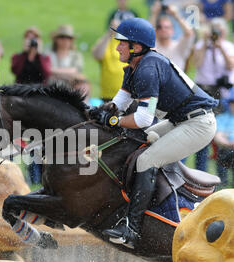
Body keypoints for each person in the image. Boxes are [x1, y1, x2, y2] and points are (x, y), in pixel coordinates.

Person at [89, 17, 218, 249]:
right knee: (136, 141)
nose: (117, 46)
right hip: (180, 120)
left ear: (136, 47)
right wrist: (95, 114)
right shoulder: (135, 66)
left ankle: (132, 228)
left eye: (121, 43)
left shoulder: (148, 68)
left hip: (197, 125)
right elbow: (118, 103)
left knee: (148, 159)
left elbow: (142, 119)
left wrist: (114, 119)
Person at [192, 17, 234, 171]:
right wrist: (205, 43)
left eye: (220, 31)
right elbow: (196, 63)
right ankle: (200, 170)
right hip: (204, 90)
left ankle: (222, 172)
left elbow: (231, 66)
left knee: (221, 130)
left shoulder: (229, 47)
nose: (217, 34)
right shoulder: (201, 46)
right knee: (202, 130)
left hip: (222, 92)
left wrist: (220, 47)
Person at [11, 26, 51, 185]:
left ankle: (36, 176)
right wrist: (29, 54)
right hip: (21, 102)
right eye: (29, 38)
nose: (32, 41)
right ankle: (18, 175)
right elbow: (16, 70)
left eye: (34, 38)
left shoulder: (44, 57)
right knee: (19, 138)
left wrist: (38, 54)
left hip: (38, 103)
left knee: (37, 140)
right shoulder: (18, 57)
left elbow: (46, 72)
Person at [150, 2, 195, 71]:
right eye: (160, 27)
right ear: (156, 30)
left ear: (173, 31)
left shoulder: (179, 47)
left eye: (167, 27)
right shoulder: (154, 47)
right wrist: (154, 14)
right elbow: (148, 34)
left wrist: (176, 15)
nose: (163, 29)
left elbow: (189, 33)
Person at [92, 19, 129, 102]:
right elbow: (97, 55)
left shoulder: (129, 42)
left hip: (127, 95)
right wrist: (109, 33)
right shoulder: (106, 41)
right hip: (107, 95)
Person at [214, 88, 234, 186]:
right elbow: (218, 137)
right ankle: (222, 183)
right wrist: (229, 143)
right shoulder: (222, 118)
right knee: (224, 153)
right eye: (232, 102)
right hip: (226, 151)